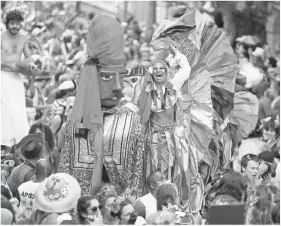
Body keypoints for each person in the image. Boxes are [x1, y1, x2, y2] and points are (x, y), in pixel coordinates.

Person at [58, 15, 145, 196]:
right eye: (106, 77)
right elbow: (65, 172)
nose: (118, 88)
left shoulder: (132, 120)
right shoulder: (75, 120)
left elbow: (137, 176)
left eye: (121, 77)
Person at [1, 9, 38, 146]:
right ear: (7, 24)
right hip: (3, 77)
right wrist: (7, 66)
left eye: (17, 23)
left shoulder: (23, 38)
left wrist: (31, 64)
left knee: (18, 110)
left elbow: (28, 57)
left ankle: (20, 143)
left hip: (16, 79)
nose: (15, 26)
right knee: (4, 110)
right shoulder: (1, 36)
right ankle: (5, 143)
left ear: (21, 25)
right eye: (12, 23)